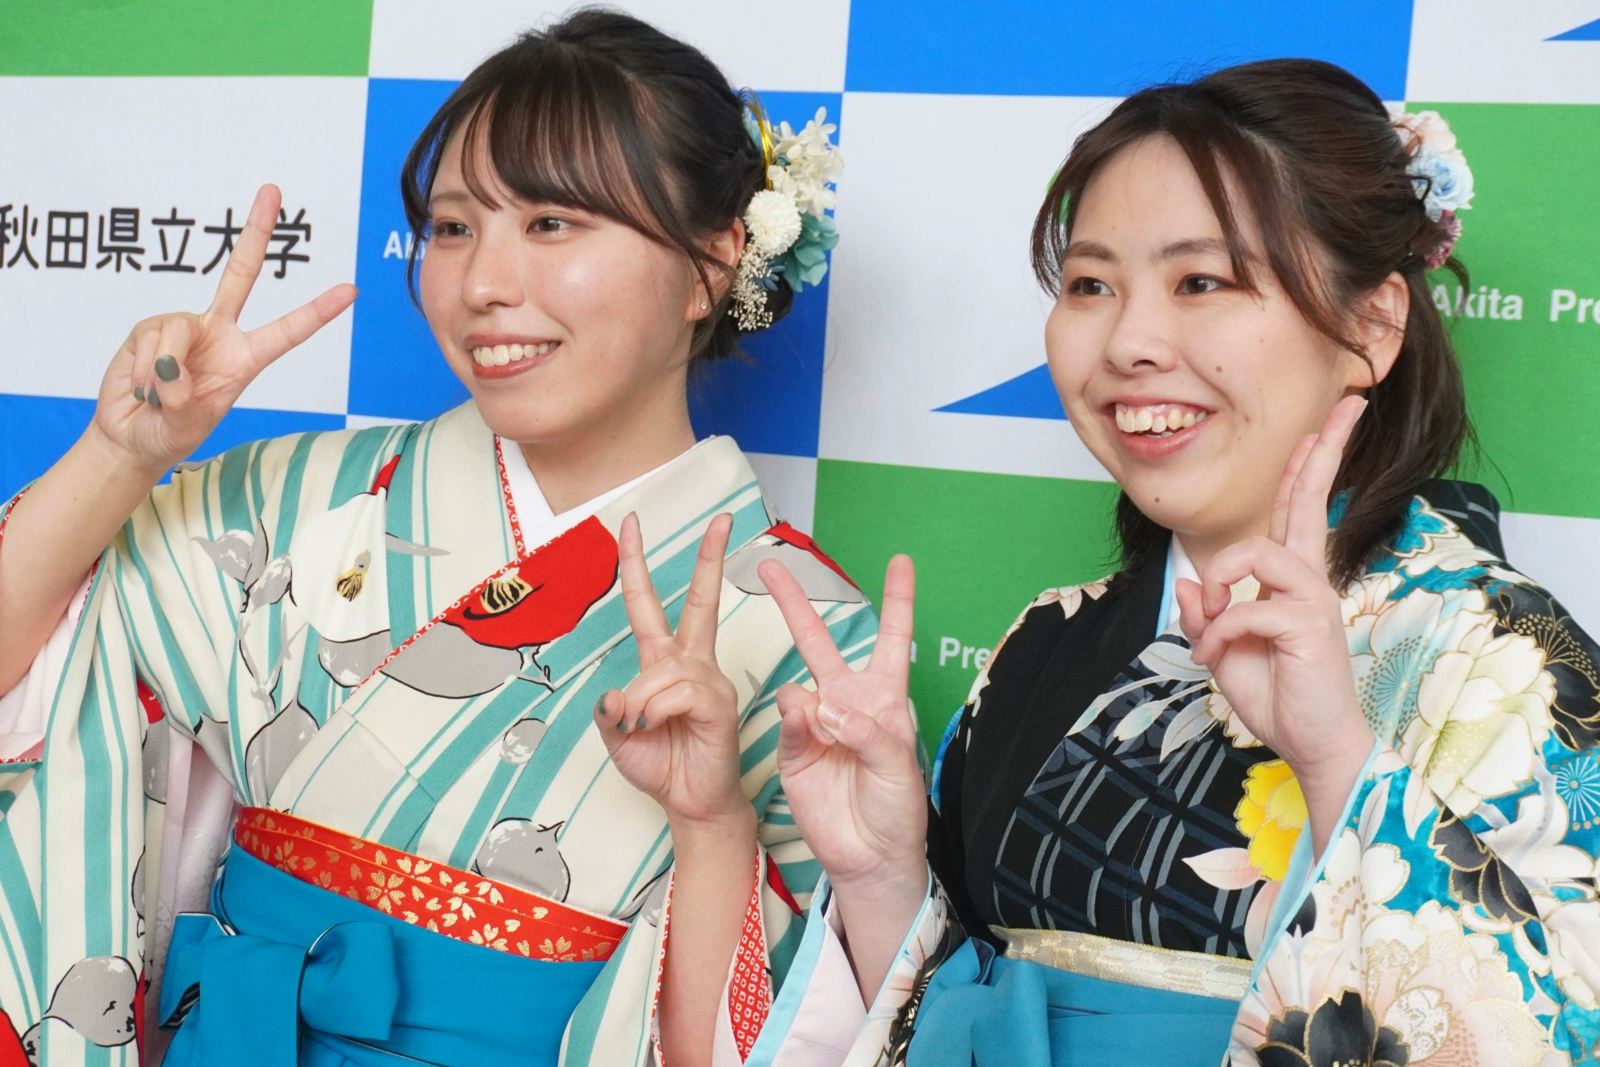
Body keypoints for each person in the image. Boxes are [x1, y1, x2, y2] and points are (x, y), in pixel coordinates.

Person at [0, 10, 863, 1066]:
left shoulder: (804, 627)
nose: (482, 283)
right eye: (454, 228)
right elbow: (36, 675)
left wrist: (715, 822)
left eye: (551, 223)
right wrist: (118, 453)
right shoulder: (294, 499)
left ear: (711, 263)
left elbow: (814, 1018)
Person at [746, 60, 1600, 1066]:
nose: (1130, 342)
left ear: (1371, 324)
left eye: (1201, 282)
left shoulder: (1503, 657)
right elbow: (961, 1016)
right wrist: (881, 876)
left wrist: (1337, 762)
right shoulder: (1047, 637)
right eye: (1090, 285)